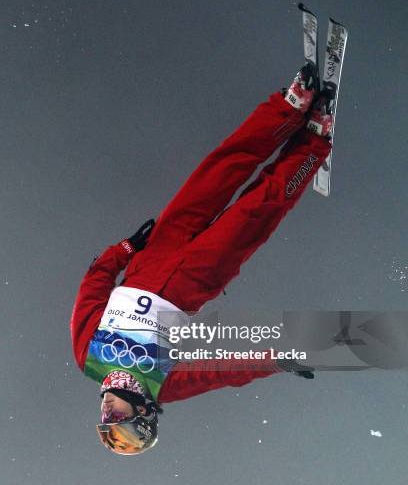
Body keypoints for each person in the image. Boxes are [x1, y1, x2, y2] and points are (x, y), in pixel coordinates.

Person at [70, 63, 333, 455]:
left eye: (104, 417)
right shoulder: (164, 384)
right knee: (261, 206)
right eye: (117, 418)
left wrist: (124, 251)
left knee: (220, 170)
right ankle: (313, 140)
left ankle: (289, 107)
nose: (106, 411)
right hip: (198, 278)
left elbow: (91, 289)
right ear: (141, 412)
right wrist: (275, 361)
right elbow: (221, 372)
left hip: (155, 253)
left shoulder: (88, 358)